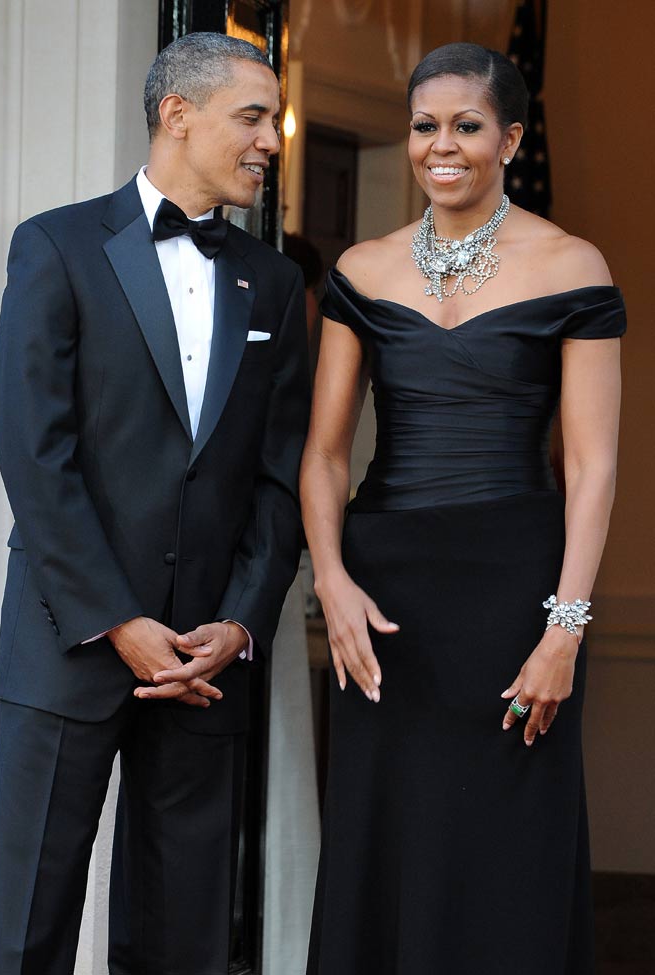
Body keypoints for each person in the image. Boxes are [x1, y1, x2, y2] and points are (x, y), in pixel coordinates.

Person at [0, 31, 310, 975]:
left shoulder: (278, 285)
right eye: (251, 117)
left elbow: (277, 480)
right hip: (69, 641)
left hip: (205, 662)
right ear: (178, 114)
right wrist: (118, 619)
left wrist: (239, 625)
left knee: (183, 940)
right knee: (27, 928)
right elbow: (35, 455)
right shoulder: (56, 244)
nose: (270, 141)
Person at [301, 41, 624, 975]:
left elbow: (595, 466)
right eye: (424, 126)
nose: (442, 146)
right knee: (387, 837)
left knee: (506, 847)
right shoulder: (363, 269)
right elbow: (321, 455)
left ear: (511, 138)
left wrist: (565, 626)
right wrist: (332, 580)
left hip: (519, 590)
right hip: (386, 597)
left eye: (467, 126)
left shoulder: (573, 265)